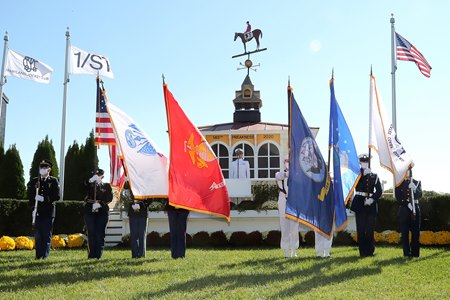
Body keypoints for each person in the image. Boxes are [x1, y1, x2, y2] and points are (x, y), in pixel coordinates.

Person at [350, 154, 383, 257]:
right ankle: (362, 252)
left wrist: (372, 199)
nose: (365, 163)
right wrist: (362, 174)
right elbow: (353, 185)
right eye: (363, 161)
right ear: (359, 162)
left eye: (366, 161)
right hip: (360, 202)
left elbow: (379, 190)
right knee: (361, 229)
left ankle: (370, 251)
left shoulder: (375, 176)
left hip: (371, 204)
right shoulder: (356, 175)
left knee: (369, 229)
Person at [27, 159, 60, 259]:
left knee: (46, 234)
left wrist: (44, 198)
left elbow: (56, 196)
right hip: (37, 212)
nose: (43, 169)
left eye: (45, 167)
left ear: (49, 169)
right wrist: (33, 207)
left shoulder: (53, 181)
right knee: (38, 235)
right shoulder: (34, 181)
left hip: (48, 212)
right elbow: (30, 195)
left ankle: (44, 255)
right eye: (41, 167)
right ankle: (38, 255)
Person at [84, 169, 113, 259]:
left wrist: (100, 204)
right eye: (95, 175)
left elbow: (109, 197)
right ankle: (91, 254)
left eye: (99, 175)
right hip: (90, 210)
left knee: (100, 233)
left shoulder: (106, 186)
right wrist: (90, 181)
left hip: (102, 211)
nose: (97, 176)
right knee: (91, 232)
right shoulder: (89, 184)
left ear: (102, 176)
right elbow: (82, 189)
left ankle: (98, 254)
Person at [275, 155, 299, 258]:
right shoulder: (279, 173)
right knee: (284, 226)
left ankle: (294, 250)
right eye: (286, 161)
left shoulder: (297, 173)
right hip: (283, 201)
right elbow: (279, 176)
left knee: (294, 227)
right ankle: (286, 251)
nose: (287, 162)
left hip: (294, 201)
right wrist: (287, 173)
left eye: (289, 160)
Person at [395, 170, 422, 257]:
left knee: (415, 232)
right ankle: (407, 253)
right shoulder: (399, 183)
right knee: (405, 232)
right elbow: (398, 197)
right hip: (404, 209)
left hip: (415, 208)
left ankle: (415, 253)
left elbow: (420, 195)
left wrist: (415, 188)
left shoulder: (416, 182)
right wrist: (407, 204)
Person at [127, 186, 148, 258]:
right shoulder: (131, 182)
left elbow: (150, 198)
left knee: (141, 234)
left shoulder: (145, 184)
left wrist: (142, 205)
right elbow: (126, 190)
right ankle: (135, 254)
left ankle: (141, 254)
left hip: (142, 213)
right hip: (133, 213)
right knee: (133, 235)